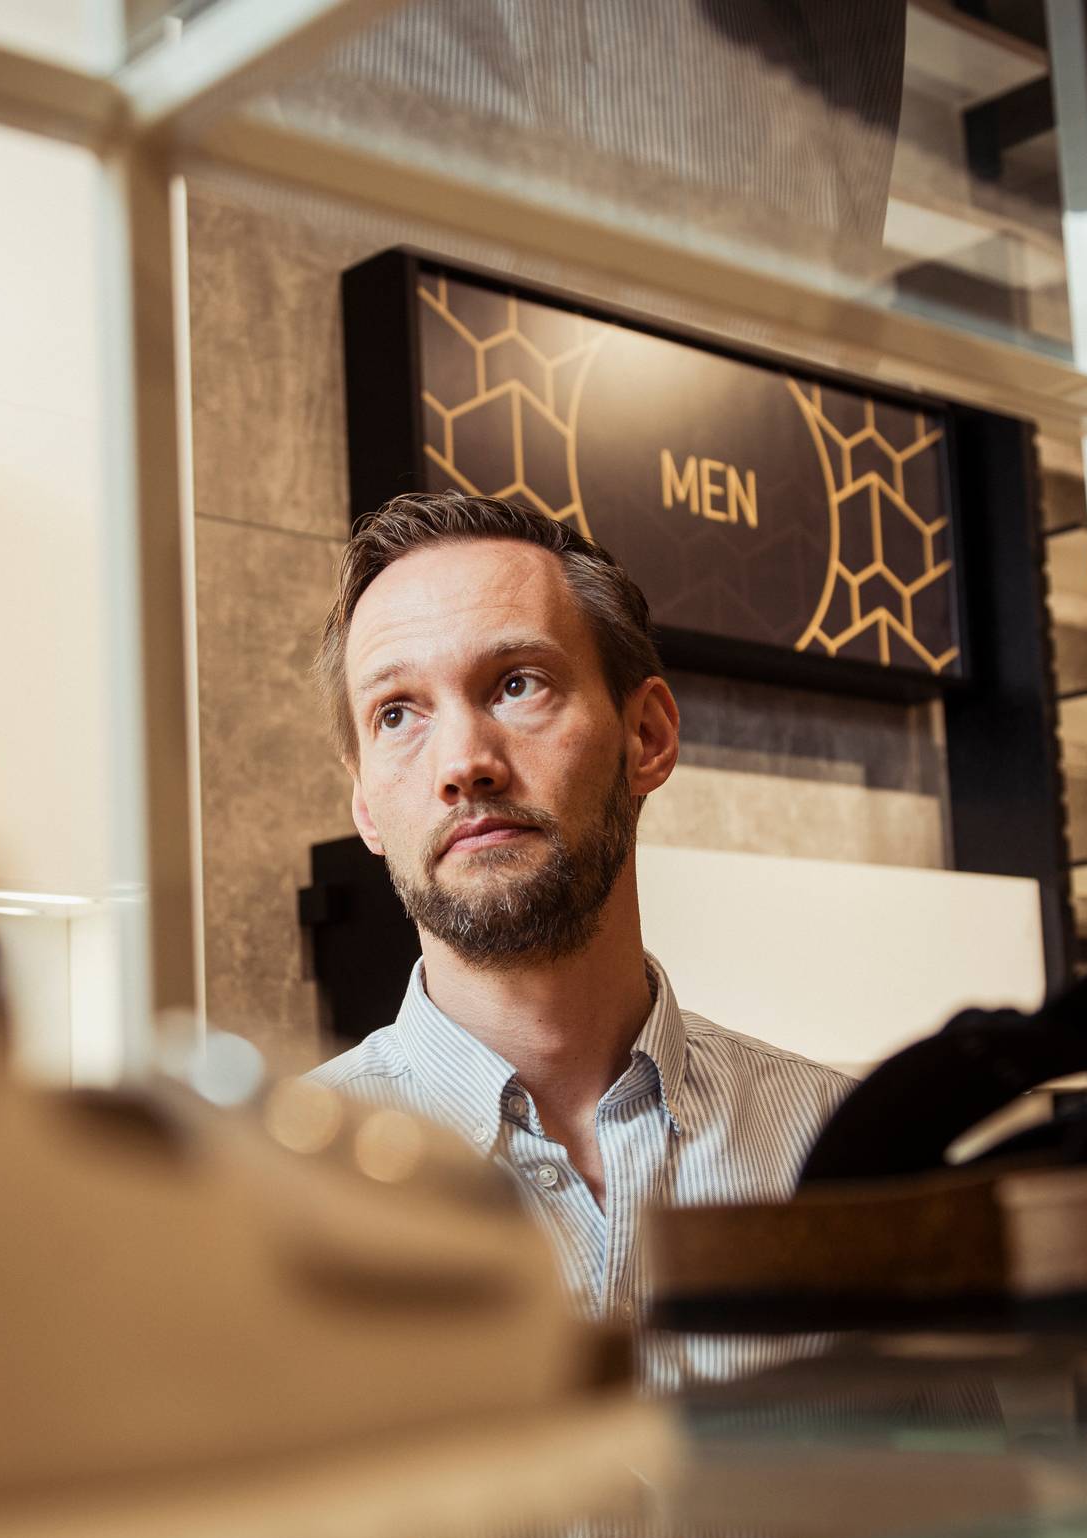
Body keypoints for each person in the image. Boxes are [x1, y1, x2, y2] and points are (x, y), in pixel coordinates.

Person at [308, 491, 853, 1323]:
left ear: (647, 737)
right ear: (366, 808)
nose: (463, 763)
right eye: (397, 713)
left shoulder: (845, 1158)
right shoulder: (269, 1205)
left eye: (516, 684)